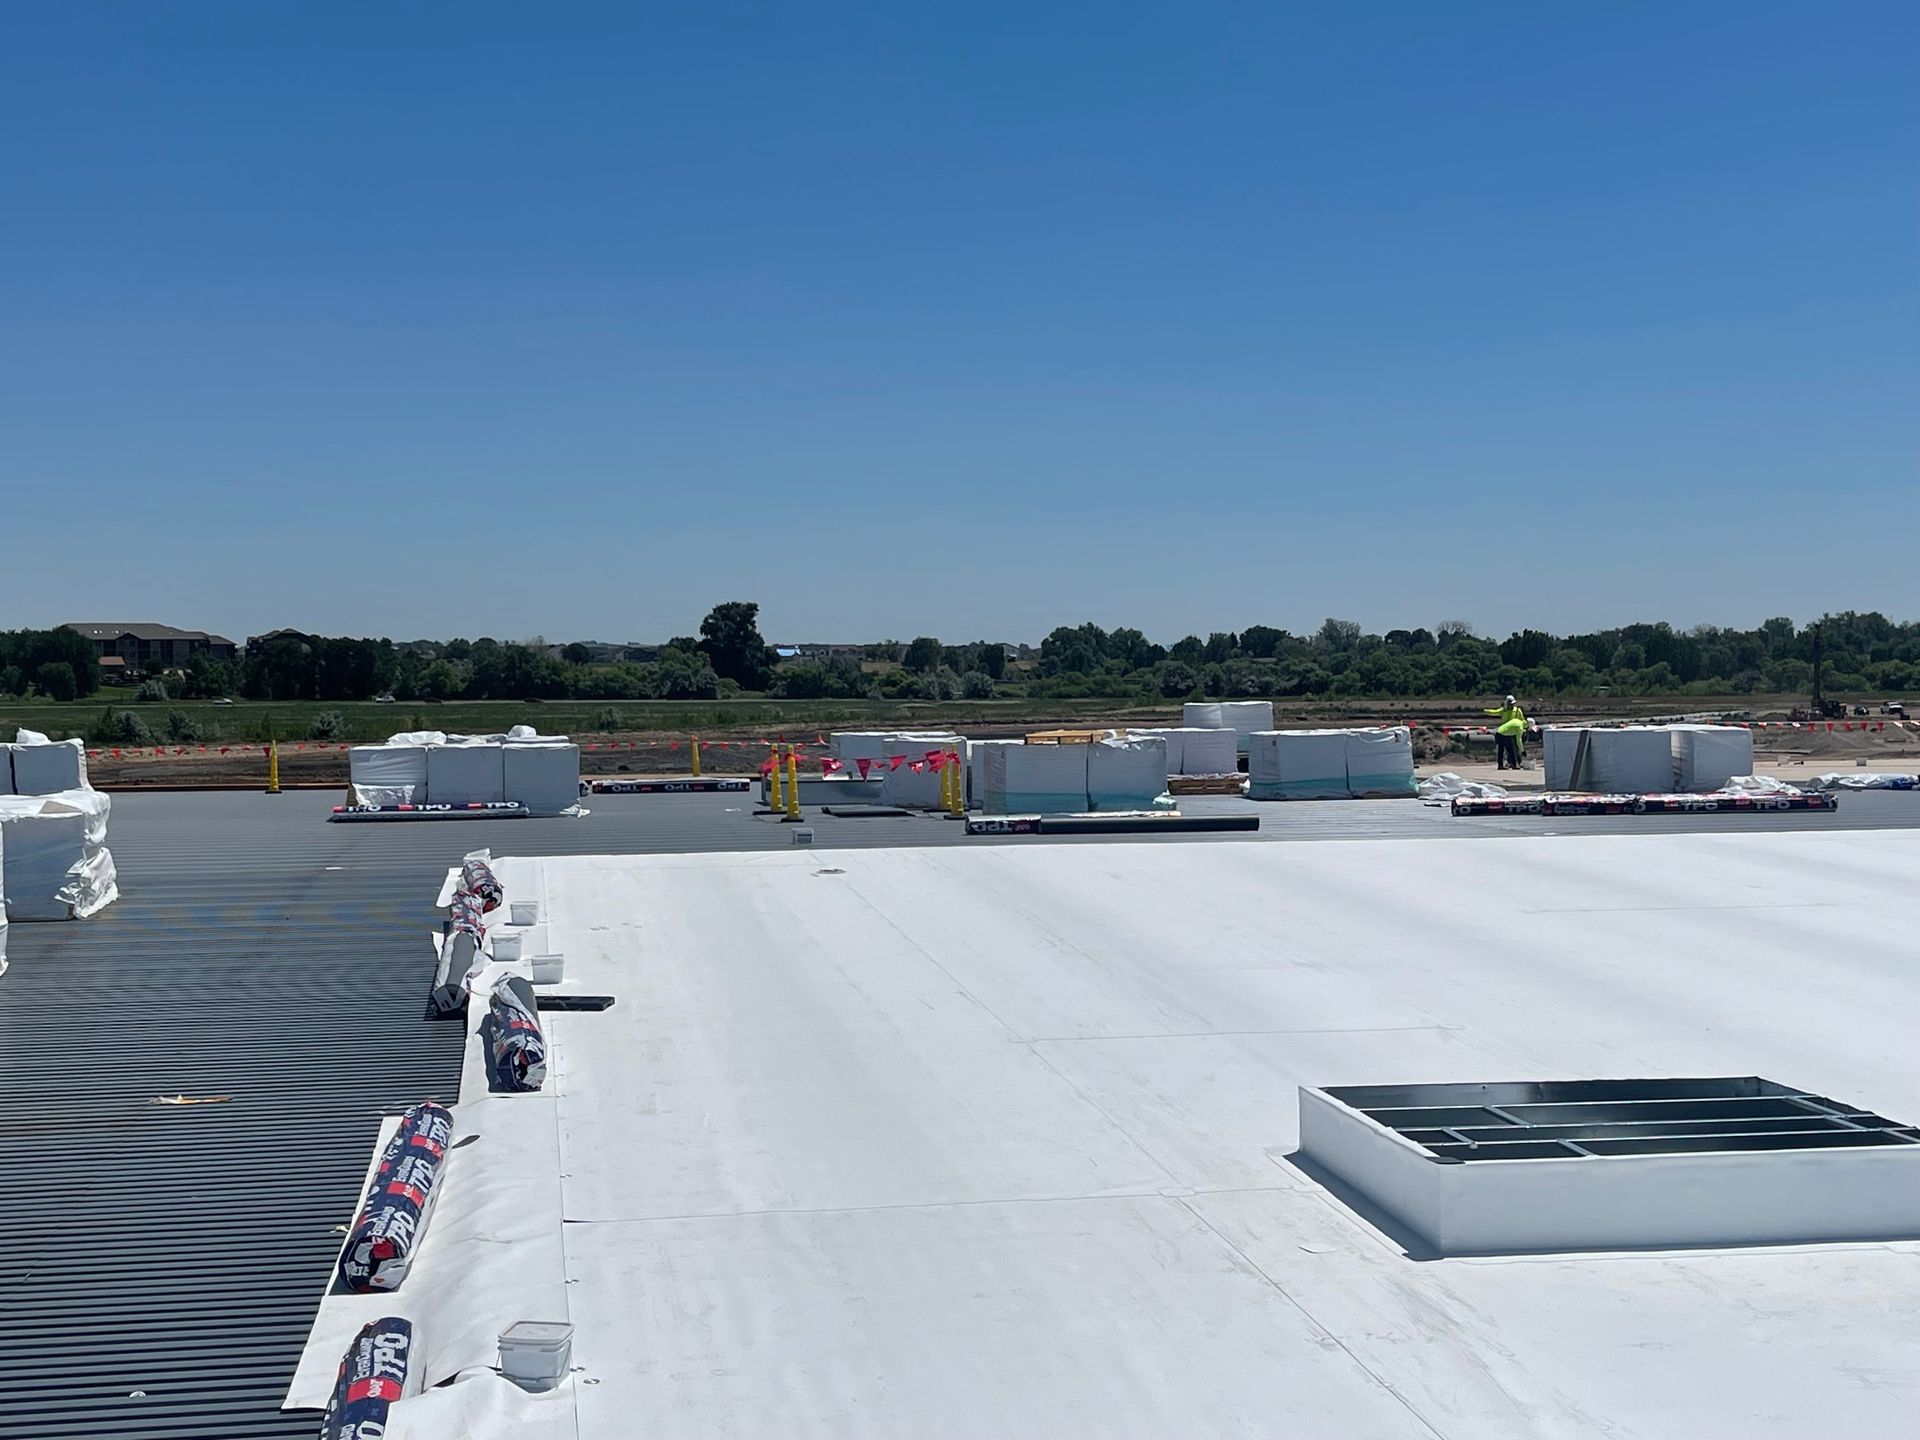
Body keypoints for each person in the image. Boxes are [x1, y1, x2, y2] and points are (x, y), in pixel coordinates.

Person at [1485, 694, 1527, 770]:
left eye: (1512, 704)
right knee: (1505, 749)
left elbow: (1522, 721)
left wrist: (1521, 730)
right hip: (1504, 731)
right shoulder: (1503, 710)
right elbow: (1494, 712)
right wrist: (1486, 711)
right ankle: (1507, 764)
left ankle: (1516, 762)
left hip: (1513, 731)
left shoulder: (1518, 711)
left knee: (1514, 748)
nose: (1511, 705)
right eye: (1510, 704)